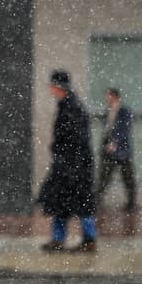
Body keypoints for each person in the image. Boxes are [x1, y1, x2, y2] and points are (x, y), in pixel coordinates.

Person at [37, 70, 98, 253]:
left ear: (59, 87)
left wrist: (69, 164)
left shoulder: (72, 108)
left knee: (79, 203)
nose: (51, 90)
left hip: (73, 166)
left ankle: (87, 240)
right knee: (62, 202)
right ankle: (60, 239)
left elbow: (76, 141)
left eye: (52, 86)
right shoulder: (68, 105)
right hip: (70, 165)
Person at [95, 87, 137, 213]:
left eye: (108, 95)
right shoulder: (108, 111)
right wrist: (106, 144)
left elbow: (124, 129)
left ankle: (131, 204)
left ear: (114, 96)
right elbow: (107, 130)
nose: (106, 98)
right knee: (104, 177)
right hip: (108, 150)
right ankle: (97, 202)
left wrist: (115, 143)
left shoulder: (124, 111)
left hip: (122, 151)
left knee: (128, 178)